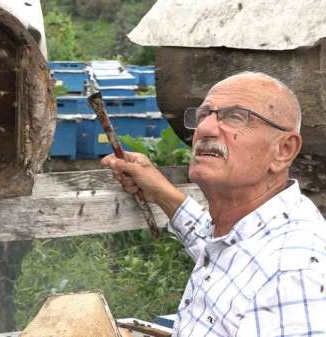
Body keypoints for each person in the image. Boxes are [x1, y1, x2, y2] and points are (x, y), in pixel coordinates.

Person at [101, 72, 326, 337]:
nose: (205, 129)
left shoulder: (294, 272)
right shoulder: (251, 228)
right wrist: (160, 190)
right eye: (203, 115)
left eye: (236, 116)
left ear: (284, 150)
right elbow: (221, 247)